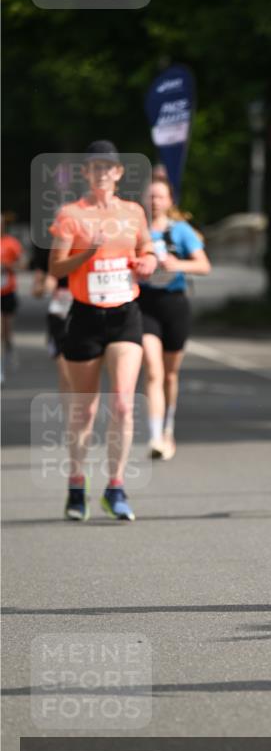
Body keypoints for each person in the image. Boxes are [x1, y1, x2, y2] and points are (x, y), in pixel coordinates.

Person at [49, 140, 157, 521]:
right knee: (85, 410)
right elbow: (56, 268)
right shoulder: (70, 214)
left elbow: (148, 249)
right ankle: (77, 486)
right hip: (85, 315)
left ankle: (116, 486)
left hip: (125, 313)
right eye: (94, 167)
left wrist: (149, 263)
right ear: (86, 173)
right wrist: (87, 253)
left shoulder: (133, 212)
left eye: (107, 168)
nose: (101, 174)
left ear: (118, 173)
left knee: (125, 403)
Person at [139, 176, 211, 459]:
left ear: (169, 201)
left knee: (170, 374)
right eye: (150, 197)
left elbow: (204, 265)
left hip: (174, 304)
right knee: (153, 370)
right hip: (145, 304)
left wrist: (176, 264)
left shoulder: (180, 231)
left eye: (159, 197)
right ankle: (155, 436)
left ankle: (168, 428)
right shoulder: (137, 230)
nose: (154, 202)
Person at [32, 242, 72, 395]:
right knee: (66, 372)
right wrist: (46, 286)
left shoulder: (87, 248)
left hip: (86, 314)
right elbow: (36, 291)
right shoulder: (48, 252)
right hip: (60, 315)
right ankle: (70, 416)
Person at [1, 214, 24, 379]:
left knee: (6, 332)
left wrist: (6, 266)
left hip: (7, 292)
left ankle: (9, 349)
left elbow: (22, 264)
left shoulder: (11, 243)